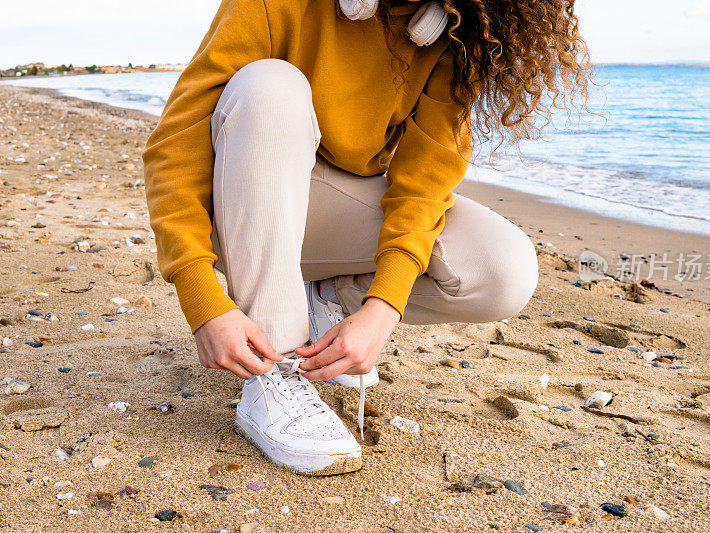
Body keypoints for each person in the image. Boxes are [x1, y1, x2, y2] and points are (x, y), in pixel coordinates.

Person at [143, 0, 589, 475]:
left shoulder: (452, 30)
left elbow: (424, 184)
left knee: (504, 270)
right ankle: (275, 372)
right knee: (270, 86)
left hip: (326, 208)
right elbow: (176, 145)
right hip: (240, 204)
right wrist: (202, 300)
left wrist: (381, 308)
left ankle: (327, 298)